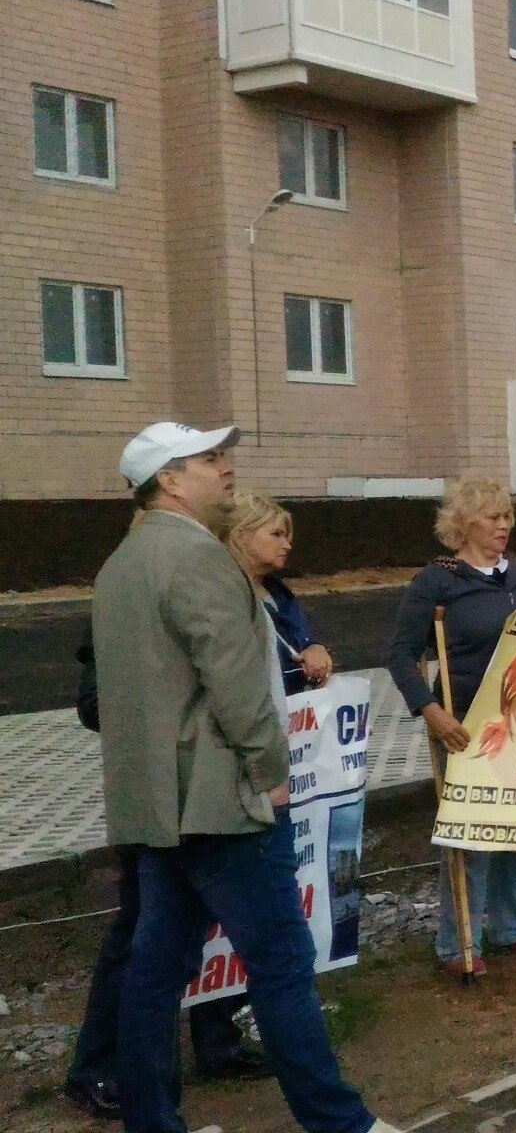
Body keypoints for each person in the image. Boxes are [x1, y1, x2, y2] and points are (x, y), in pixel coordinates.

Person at [94, 422, 399, 1133]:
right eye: (208, 459)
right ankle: (340, 1124)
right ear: (169, 479)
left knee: (157, 969)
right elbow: (234, 685)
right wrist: (271, 772)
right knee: (283, 964)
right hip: (223, 801)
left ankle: (153, 1122)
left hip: (157, 806)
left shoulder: (120, 564)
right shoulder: (199, 560)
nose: (225, 468)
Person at [388, 475, 516, 977]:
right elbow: (401, 655)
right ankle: (458, 942)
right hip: (465, 722)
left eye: (508, 516)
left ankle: (512, 927)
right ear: (465, 523)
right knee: (473, 833)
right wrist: (430, 710)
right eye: (493, 517)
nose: (504, 526)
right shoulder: (437, 581)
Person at [220, 494, 334, 697]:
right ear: (239, 536)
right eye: (276, 534)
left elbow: (297, 641)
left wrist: (314, 648)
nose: (287, 545)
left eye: (286, 537)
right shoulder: (223, 596)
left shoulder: (278, 591)